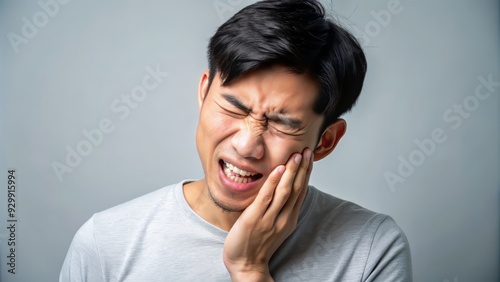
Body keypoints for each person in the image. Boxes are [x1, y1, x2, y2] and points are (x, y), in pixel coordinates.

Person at [60, 0, 412, 281]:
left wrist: (250, 270)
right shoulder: (104, 243)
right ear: (203, 92)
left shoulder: (371, 249)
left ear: (325, 142)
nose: (246, 146)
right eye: (232, 107)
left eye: (281, 124)